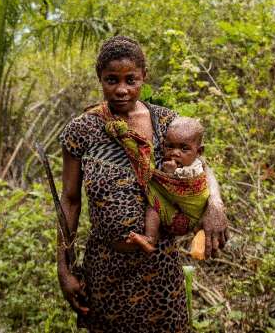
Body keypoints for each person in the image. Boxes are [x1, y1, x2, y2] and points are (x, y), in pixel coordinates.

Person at [57, 35, 228, 332]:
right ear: (100, 78)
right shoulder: (82, 129)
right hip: (105, 268)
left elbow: (201, 167)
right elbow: (70, 200)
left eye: (131, 79)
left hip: (160, 267)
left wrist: (215, 204)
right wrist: (64, 267)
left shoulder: (166, 123)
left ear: (144, 77)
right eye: (112, 80)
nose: (122, 89)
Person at [125, 117, 208, 254]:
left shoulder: (196, 168)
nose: (175, 153)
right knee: (156, 206)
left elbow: (184, 184)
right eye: (170, 146)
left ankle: (151, 238)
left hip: (189, 217)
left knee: (154, 206)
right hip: (175, 211)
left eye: (184, 148)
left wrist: (170, 172)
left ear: (199, 152)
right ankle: (151, 239)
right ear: (163, 145)